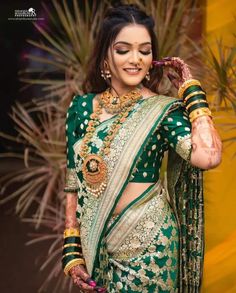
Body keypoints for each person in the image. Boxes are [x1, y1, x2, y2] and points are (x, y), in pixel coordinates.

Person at [61, 4, 222, 293]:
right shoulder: (81, 108)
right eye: (123, 50)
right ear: (105, 58)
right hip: (97, 245)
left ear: (152, 60)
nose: (135, 59)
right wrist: (72, 248)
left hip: (152, 247)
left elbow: (208, 156)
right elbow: (73, 179)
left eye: (144, 51)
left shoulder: (163, 112)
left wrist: (193, 94)